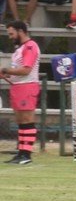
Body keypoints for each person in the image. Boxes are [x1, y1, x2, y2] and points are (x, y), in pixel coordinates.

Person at [4, 19, 41, 165]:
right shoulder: (20, 49)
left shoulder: (30, 46)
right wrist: (6, 74)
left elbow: (26, 70)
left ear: (20, 31)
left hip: (27, 86)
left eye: (11, 33)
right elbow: (17, 71)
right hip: (18, 86)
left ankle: (26, 154)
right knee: (20, 121)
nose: (10, 37)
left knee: (27, 119)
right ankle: (21, 153)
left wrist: (5, 70)